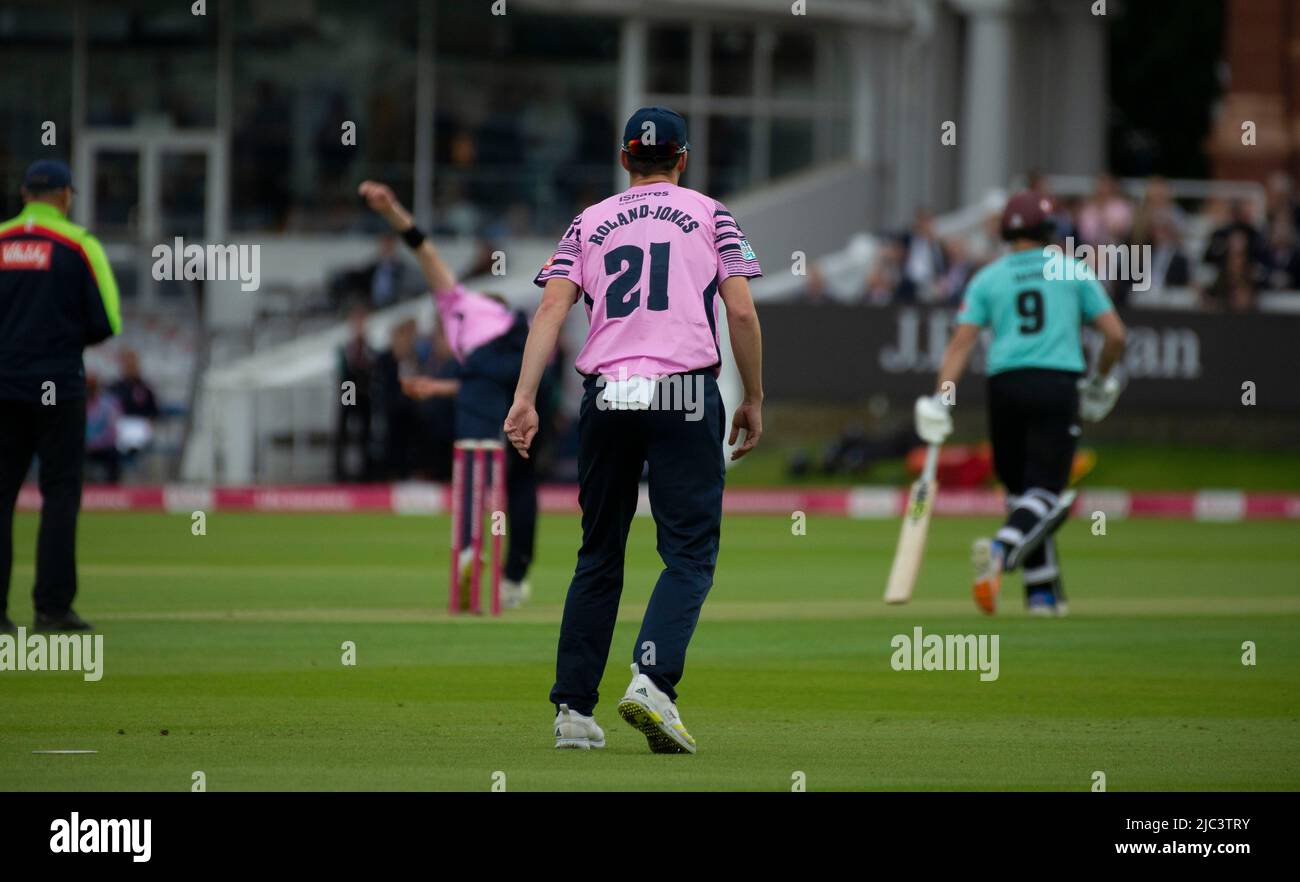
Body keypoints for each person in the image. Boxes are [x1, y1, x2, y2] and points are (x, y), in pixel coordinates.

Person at [504, 106, 764, 753]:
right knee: (689, 551)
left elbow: (550, 310)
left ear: (625, 161)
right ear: (683, 159)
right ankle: (651, 679)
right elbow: (741, 310)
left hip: (609, 391)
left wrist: (524, 398)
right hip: (681, 389)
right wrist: (753, 396)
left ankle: (571, 710)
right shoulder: (711, 214)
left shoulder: (587, 221)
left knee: (598, 551)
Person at [916, 191, 1126, 617]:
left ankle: (1043, 596)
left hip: (1004, 387)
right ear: (1048, 230)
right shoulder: (1071, 270)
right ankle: (1001, 549)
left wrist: (942, 401)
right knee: (1047, 494)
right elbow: (1116, 336)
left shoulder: (988, 277)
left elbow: (960, 345)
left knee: (1020, 496)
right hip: (1054, 382)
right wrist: (1101, 380)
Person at [358, 180, 541, 609]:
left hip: (513, 351)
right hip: (515, 372)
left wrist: (391, 210)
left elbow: (423, 248)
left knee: (480, 448)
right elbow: (483, 381)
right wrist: (437, 386)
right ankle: (504, 574)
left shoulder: (453, 301)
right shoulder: (469, 357)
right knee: (514, 474)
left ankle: (472, 557)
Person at [0, 160, 121, 634]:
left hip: (2, 385)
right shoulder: (79, 245)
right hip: (58, 387)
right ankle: (51, 609)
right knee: (60, 496)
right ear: (66, 196)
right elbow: (107, 320)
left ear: (25, 194)